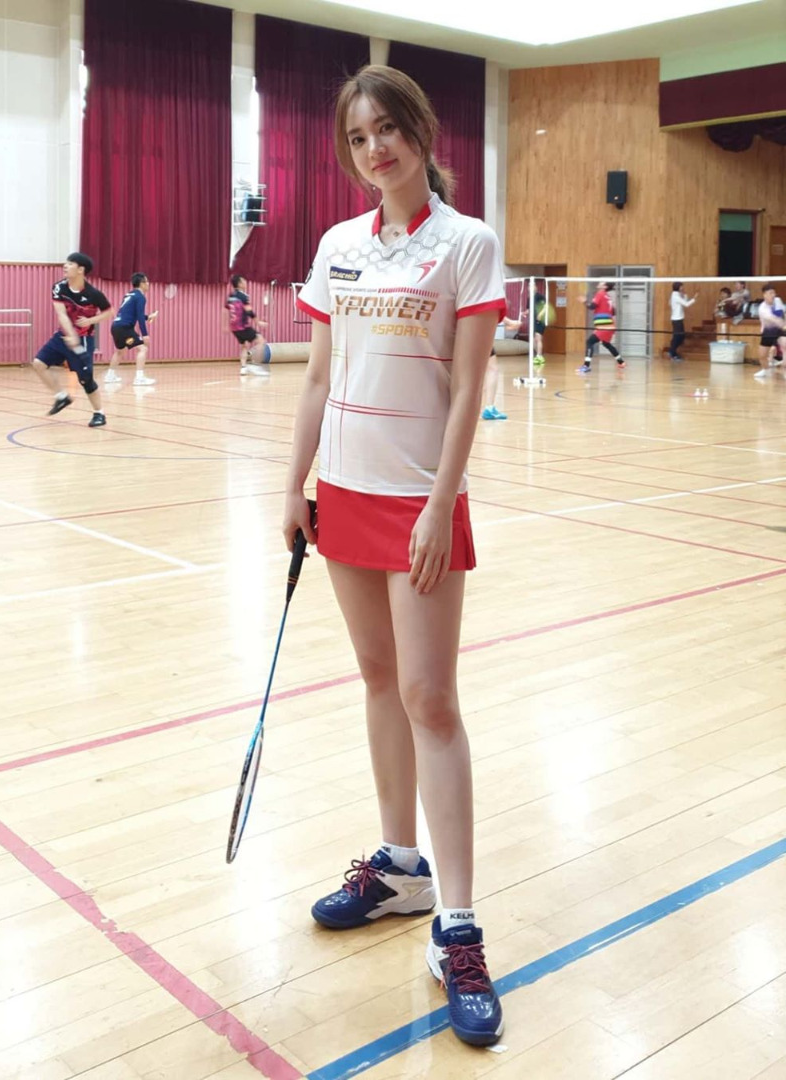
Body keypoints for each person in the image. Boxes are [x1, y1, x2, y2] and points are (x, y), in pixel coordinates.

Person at [284, 65, 506, 1047]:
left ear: (420, 131)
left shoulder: (467, 244)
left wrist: (439, 505)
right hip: (343, 491)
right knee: (379, 680)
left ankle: (457, 924)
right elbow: (317, 379)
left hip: (418, 500)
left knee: (432, 699)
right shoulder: (339, 247)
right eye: (359, 136)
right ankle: (399, 869)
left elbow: (467, 391)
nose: (375, 149)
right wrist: (294, 486)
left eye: (388, 129)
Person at [31, 253, 113, 427]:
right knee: (38, 363)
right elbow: (61, 314)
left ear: (81, 270)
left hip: (84, 339)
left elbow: (109, 312)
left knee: (85, 379)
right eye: (66, 263)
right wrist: (70, 334)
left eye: (70, 264)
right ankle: (62, 397)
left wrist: (91, 321)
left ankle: (99, 413)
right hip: (63, 336)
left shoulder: (93, 294)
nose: (65, 266)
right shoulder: (59, 287)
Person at [106, 273, 158, 386]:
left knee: (120, 351)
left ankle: (110, 376)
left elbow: (132, 313)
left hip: (116, 327)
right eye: (147, 281)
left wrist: (148, 317)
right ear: (141, 284)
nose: (148, 284)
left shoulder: (129, 295)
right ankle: (139, 378)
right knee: (143, 349)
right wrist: (145, 335)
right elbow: (139, 317)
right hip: (125, 328)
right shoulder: (140, 297)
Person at [226, 275, 269, 376]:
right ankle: (256, 365)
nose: (245, 282)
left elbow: (227, 309)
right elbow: (249, 312)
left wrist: (225, 325)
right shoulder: (244, 296)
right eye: (244, 281)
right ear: (239, 284)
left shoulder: (231, 296)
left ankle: (243, 368)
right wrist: (259, 322)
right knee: (261, 341)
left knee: (244, 346)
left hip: (234, 328)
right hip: (243, 326)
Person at [577, 281, 622, 373]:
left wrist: (584, 301)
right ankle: (621, 362)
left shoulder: (600, 294)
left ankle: (586, 366)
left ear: (604, 287)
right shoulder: (608, 296)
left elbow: (592, 307)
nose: (599, 283)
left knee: (589, 342)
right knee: (606, 343)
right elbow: (614, 312)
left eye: (602, 282)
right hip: (609, 325)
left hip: (604, 326)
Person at [755, 283, 786, 379]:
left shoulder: (778, 300)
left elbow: (784, 311)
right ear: (764, 295)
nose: (773, 295)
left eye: (774, 293)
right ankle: (765, 370)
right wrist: (783, 324)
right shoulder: (762, 308)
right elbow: (774, 320)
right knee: (762, 356)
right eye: (770, 293)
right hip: (769, 331)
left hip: (780, 330)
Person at [668, 281, 697, 361]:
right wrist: (694, 298)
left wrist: (684, 295)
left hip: (679, 319)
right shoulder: (675, 296)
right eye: (681, 286)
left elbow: (684, 301)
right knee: (678, 337)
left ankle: (672, 352)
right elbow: (686, 304)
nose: (683, 288)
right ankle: (672, 352)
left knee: (680, 336)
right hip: (676, 319)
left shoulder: (677, 295)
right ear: (678, 287)